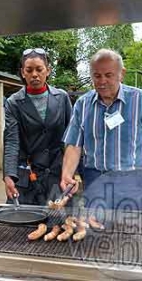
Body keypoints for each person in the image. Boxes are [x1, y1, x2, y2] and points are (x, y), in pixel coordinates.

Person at [61, 49, 142, 210]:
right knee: (95, 229)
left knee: (131, 229)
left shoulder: (139, 100)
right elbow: (74, 144)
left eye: (108, 75)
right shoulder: (82, 104)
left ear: (121, 74)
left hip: (132, 182)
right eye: (97, 76)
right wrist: (67, 174)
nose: (102, 81)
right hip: (95, 180)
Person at [4, 48, 72, 205]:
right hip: (28, 173)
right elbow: (12, 141)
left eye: (39, 69)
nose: (34, 74)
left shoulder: (61, 98)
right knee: (23, 223)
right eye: (29, 70)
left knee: (61, 222)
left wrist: (75, 171)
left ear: (48, 71)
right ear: (22, 72)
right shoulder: (14, 102)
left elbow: (72, 137)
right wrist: (9, 175)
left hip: (58, 173)